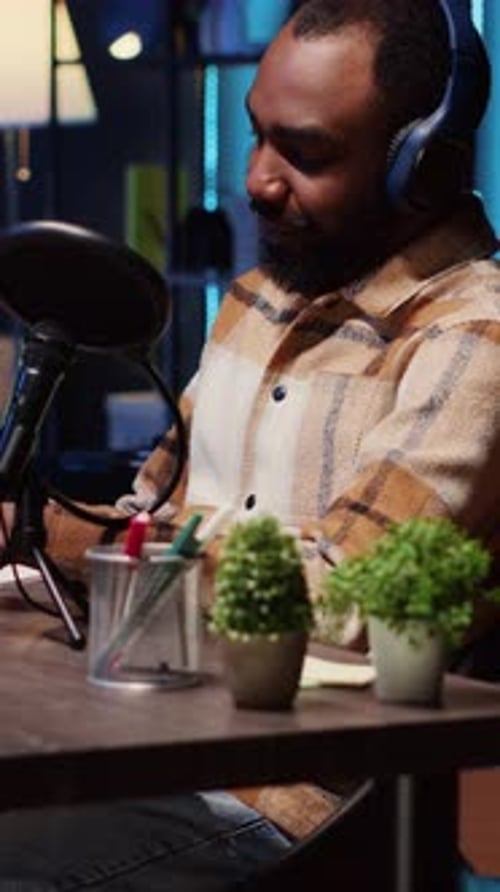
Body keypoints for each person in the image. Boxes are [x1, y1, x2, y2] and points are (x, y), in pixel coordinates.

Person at [2, 0, 500, 888]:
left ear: (419, 168)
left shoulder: (474, 345)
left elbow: (343, 604)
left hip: (291, 802)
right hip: (140, 740)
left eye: (305, 154)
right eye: (256, 137)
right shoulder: (255, 300)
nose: (259, 179)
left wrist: (64, 540)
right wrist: (33, 559)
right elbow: (152, 515)